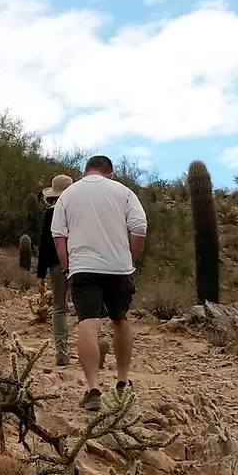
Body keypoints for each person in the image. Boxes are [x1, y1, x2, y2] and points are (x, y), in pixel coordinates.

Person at [50, 155, 147, 411]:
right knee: (120, 319)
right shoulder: (124, 192)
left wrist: (68, 266)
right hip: (118, 267)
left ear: (85, 171)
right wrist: (128, 254)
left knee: (88, 323)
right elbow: (139, 227)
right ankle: (123, 381)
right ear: (110, 173)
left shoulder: (68, 195)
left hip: (83, 267)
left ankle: (93, 388)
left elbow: (59, 235)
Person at [36, 174, 74, 366]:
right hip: (81, 263)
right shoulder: (79, 212)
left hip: (57, 266)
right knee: (86, 309)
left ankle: (62, 351)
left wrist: (40, 275)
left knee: (59, 308)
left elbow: (44, 246)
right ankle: (91, 349)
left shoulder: (51, 214)